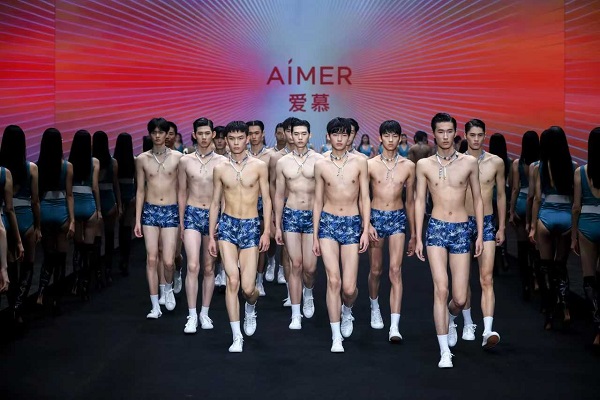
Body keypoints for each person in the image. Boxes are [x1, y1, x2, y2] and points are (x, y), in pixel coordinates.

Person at [414, 113, 483, 368]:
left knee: (460, 298)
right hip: (436, 228)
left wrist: (479, 234)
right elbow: (419, 200)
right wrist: (417, 235)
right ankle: (444, 351)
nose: (445, 136)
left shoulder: (469, 163)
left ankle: (452, 318)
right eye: (440, 131)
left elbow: (478, 198)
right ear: (433, 133)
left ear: (456, 133)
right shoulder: (424, 165)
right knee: (441, 289)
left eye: (449, 131)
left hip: (462, 229)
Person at [208, 120, 271, 352]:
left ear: (248, 138)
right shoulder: (220, 168)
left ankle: (251, 307)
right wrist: (211, 235)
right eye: (231, 139)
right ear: (226, 140)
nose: (236, 143)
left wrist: (267, 231)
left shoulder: (259, 166)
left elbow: (268, 200)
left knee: (248, 288)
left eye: (240, 138)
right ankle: (237, 336)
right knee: (232, 280)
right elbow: (215, 203)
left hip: (251, 225)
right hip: (227, 225)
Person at [313, 117, 370, 353]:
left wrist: (365, 228)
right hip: (328, 223)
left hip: (351, 223)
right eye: (335, 134)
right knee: (333, 280)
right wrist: (315, 235)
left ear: (349, 137)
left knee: (348, 288)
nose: (339, 138)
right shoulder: (320, 164)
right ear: (328, 136)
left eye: (343, 134)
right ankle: (336, 336)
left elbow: (365, 197)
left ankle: (347, 309)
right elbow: (317, 200)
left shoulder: (360, 162)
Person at [367, 120, 415, 342]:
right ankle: (374, 306)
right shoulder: (370, 165)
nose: (390, 139)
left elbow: (411, 201)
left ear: (400, 137)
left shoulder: (408, 166)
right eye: (386, 135)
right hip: (375, 217)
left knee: (395, 270)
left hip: (397, 218)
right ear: (380, 137)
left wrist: (414, 234)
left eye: (394, 135)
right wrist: (366, 224)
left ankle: (394, 326)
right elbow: (363, 197)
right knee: (376, 270)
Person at [178, 117, 226, 333]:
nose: (204, 137)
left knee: (209, 267)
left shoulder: (222, 162)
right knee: (192, 266)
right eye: (200, 133)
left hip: (213, 216)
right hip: (192, 213)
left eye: (208, 133)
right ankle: (191, 315)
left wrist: (222, 219)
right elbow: (181, 192)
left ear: (213, 134)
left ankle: (204, 313)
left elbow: (225, 194)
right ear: (194, 135)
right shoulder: (185, 161)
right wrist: (181, 222)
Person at [274, 119, 323, 329]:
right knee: (296, 264)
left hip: (312, 216)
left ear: (309, 135)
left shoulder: (319, 160)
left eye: (304, 134)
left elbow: (324, 193)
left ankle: (308, 292)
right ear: (291, 136)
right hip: (291, 214)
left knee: (310, 268)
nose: (300, 137)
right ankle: (296, 313)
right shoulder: (283, 162)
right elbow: (278, 195)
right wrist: (277, 225)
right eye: (296, 134)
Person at [461, 119, 505, 349]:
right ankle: (468, 322)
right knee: (463, 279)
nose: (476, 139)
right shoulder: (458, 162)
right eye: (472, 135)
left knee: (486, 278)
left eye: (480, 135)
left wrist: (502, 227)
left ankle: (487, 330)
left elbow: (501, 195)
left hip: (486, 222)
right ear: (465, 136)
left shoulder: (496, 162)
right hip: (460, 221)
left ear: (485, 136)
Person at [135, 117, 183, 319]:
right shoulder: (142, 159)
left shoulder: (178, 158)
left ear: (166, 134)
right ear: (150, 134)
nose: (157, 136)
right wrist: (137, 219)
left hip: (171, 210)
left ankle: (168, 287)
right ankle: (155, 305)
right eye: (154, 132)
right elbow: (140, 190)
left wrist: (182, 218)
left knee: (169, 261)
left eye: (161, 132)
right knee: (152, 258)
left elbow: (182, 190)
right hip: (150, 211)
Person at [529, 126, 576, 331]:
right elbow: (575, 200)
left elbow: (537, 198)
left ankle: (549, 315)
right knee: (561, 266)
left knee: (545, 267)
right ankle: (565, 308)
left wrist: (532, 226)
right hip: (566, 216)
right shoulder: (573, 166)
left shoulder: (539, 167)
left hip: (546, 215)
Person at [0, 125, 37, 326]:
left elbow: (8, 207)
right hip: (26, 219)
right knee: (28, 265)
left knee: (11, 266)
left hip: (6, 220)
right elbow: (35, 201)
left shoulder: (2, 171)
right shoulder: (31, 168)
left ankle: (13, 308)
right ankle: (18, 308)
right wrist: (38, 226)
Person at [36, 128, 75, 311]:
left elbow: (36, 197)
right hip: (61, 212)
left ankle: (41, 293)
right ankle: (57, 299)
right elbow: (69, 195)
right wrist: (72, 220)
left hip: (44, 211)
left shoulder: (37, 166)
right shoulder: (67, 166)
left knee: (48, 256)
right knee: (61, 257)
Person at [572, 127, 600, 346]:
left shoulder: (580, 172)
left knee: (589, 279)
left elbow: (576, 207)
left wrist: (573, 236)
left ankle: (598, 326)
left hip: (586, 225)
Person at [268, 117, 299, 304]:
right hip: (284, 205)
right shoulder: (276, 158)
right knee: (288, 252)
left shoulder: (313, 157)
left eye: (296, 131)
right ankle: (291, 292)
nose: (293, 136)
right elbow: (272, 185)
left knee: (306, 261)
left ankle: (306, 291)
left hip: (303, 207)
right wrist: (274, 210)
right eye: (289, 131)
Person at [69, 130, 102, 300]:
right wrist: (99, 209)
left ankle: (75, 282)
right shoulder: (94, 162)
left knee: (78, 247)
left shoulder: (69, 163)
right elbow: (95, 187)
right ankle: (85, 286)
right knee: (89, 248)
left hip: (74, 204)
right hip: (89, 203)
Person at [509, 131, 540, 300]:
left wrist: (511, 211)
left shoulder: (517, 163)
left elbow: (515, 188)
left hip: (521, 202)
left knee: (522, 247)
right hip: (536, 204)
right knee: (535, 247)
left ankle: (525, 284)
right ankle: (536, 278)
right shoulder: (540, 164)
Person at [246, 120, 275, 297]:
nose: (254, 136)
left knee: (262, 242)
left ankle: (259, 280)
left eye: (257, 133)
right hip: (245, 203)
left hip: (263, 202)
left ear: (263, 134)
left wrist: (273, 212)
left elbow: (273, 185)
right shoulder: (240, 155)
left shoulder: (271, 156)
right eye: (250, 133)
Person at [93, 131, 122, 285]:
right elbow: (116, 184)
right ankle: (108, 270)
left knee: (97, 238)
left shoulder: (91, 162)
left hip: (95, 200)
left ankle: (97, 272)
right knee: (110, 237)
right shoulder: (113, 162)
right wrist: (119, 204)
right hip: (109, 199)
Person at [264, 122, 286, 282]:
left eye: (284, 132)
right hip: (273, 200)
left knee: (287, 239)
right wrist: (271, 207)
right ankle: (271, 261)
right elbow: (269, 182)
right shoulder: (270, 155)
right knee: (272, 237)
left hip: (290, 202)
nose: (282, 135)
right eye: (279, 133)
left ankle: (282, 269)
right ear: (275, 134)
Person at [113, 133, 136, 277]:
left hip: (118, 194)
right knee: (127, 227)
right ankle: (125, 261)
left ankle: (117, 259)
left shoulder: (115, 161)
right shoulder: (134, 160)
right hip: (131, 194)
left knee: (118, 227)